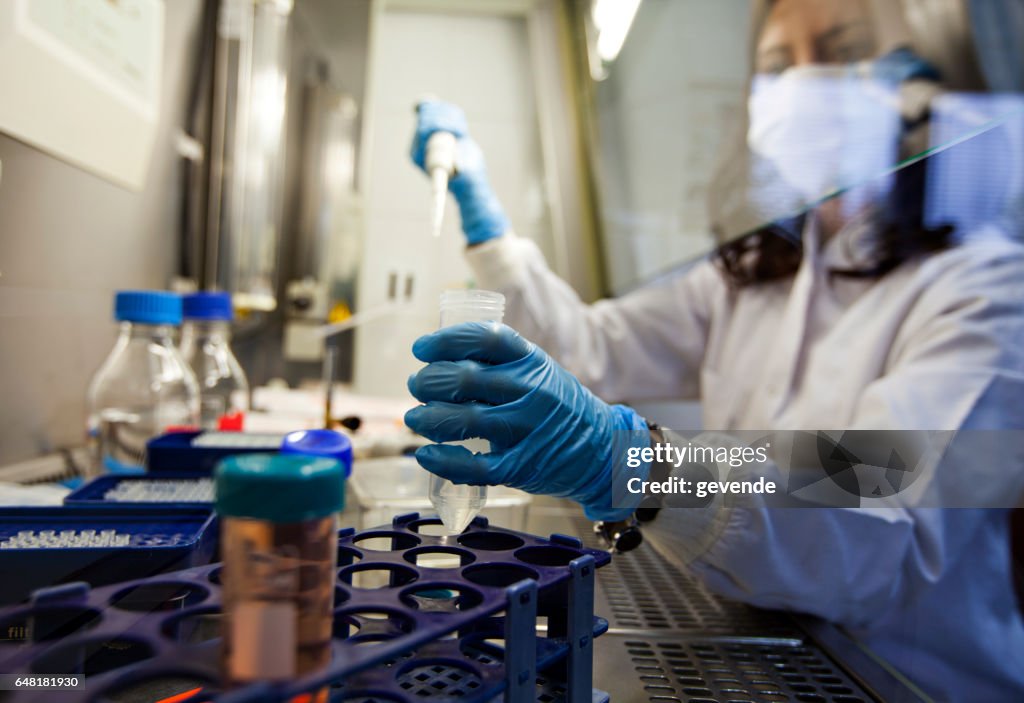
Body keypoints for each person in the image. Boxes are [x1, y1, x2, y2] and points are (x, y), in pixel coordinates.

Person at [404, 0, 1024, 699]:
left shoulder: (987, 290)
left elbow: (871, 498)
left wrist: (643, 463)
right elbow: (589, 350)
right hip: (767, 645)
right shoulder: (759, 273)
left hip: (907, 677)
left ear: (922, 81)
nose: (806, 86)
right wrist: (488, 228)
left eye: (843, 49)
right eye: (778, 66)